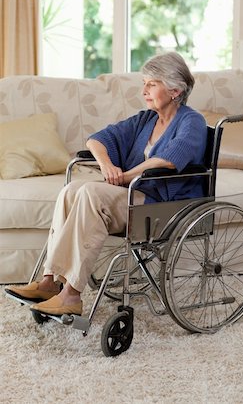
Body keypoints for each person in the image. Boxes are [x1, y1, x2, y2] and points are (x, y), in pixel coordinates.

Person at [5, 52, 207, 316]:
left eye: (152, 84)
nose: (144, 90)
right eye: (144, 83)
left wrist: (126, 176)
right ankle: (49, 281)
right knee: (71, 190)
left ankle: (72, 295)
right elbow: (98, 139)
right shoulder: (146, 119)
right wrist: (106, 165)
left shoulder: (192, 121)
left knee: (90, 191)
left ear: (175, 90)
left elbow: (169, 159)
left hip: (163, 205)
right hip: (134, 197)